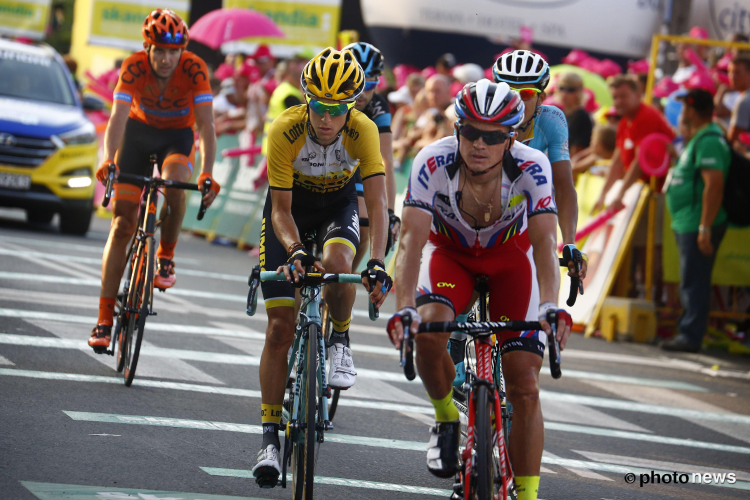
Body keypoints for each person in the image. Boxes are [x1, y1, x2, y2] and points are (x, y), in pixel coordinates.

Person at [386, 80, 571, 500]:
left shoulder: (533, 165)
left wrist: (548, 305)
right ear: (457, 129)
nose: (479, 145)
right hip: (450, 253)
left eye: (492, 136)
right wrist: (404, 308)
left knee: (524, 382)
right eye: (470, 131)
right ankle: (446, 417)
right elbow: (412, 241)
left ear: (510, 139)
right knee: (429, 335)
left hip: (511, 260)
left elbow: (545, 242)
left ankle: (527, 495)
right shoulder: (431, 161)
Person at [251, 47, 392, 487]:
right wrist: (293, 250)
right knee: (279, 327)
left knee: (337, 261)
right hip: (291, 212)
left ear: (351, 106)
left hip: (336, 204)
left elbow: (379, 204)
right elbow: (279, 211)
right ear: (305, 99)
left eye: (337, 109)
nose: (326, 118)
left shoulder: (363, 130)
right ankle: (270, 439)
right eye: (318, 107)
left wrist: (378, 262)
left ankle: (340, 339)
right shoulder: (286, 129)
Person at [88, 9, 219, 350]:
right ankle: (104, 319)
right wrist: (108, 159)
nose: (165, 58)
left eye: (173, 51)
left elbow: (205, 126)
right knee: (122, 225)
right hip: (137, 134)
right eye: (158, 50)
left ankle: (166, 255)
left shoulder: (194, 69)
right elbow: (118, 116)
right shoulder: (133, 66)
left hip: (177, 137)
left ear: (182, 50)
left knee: (176, 184)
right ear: (147, 48)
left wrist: (207, 171)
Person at [493, 50, 587, 279]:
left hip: (524, 211)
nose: (515, 101)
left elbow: (564, 186)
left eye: (525, 94)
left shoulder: (552, 120)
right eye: (508, 92)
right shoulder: (482, 116)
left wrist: (570, 243)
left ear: (542, 98)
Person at [663, 89, 730, 352]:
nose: (682, 114)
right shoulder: (700, 138)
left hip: (697, 222)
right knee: (690, 279)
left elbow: (714, 185)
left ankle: (690, 336)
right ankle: (687, 330)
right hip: (688, 221)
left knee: (695, 280)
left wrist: (704, 227)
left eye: (684, 108)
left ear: (691, 109)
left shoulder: (709, 140)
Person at [344, 42, 400, 268]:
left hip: (355, 163)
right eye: (357, 84)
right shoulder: (330, 97)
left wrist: (389, 213)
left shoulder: (378, 106)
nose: (363, 93)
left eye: (371, 85)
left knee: (365, 226)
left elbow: (385, 158)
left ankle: (342, 276)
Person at [594, 75, 675, 212]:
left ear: (638, 94)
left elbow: (640, 162)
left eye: (623, 96)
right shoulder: (626, 121)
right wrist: (603, 194)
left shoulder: (646, 117)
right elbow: (617, 161)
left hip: (654, 194)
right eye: (615, 97)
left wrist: (621, 193)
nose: (618, 102)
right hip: (640, 190)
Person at [556, 72, 593, 157]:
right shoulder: (561, 113)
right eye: (562, 88)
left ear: (579, 91)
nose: (564, 93)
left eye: (570, 90)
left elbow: (579, 149)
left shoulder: (582, 116)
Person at [727, 56, 750, 151]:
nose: (732, 76)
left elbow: (732, 138)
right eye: (730, 72)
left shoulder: (744, 101)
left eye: (737, 73)